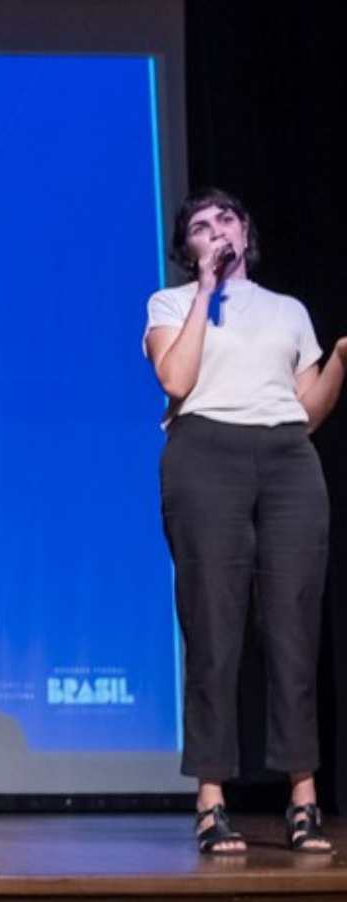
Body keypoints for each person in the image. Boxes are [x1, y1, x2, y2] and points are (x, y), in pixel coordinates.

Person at [144, 187, 347, 855]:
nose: (217, 230)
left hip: (287, 458)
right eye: (201, 226)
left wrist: (339, 361)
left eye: (226, 219)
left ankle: (304, 798)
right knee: (213, 627)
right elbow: (177, 380)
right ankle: (211, 799)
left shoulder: (289, 310)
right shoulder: (171, 303)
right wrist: (205, 291)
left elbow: (306, 411)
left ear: (246, 231)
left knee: (293, 627)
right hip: (205, 453)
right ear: (189, 248)